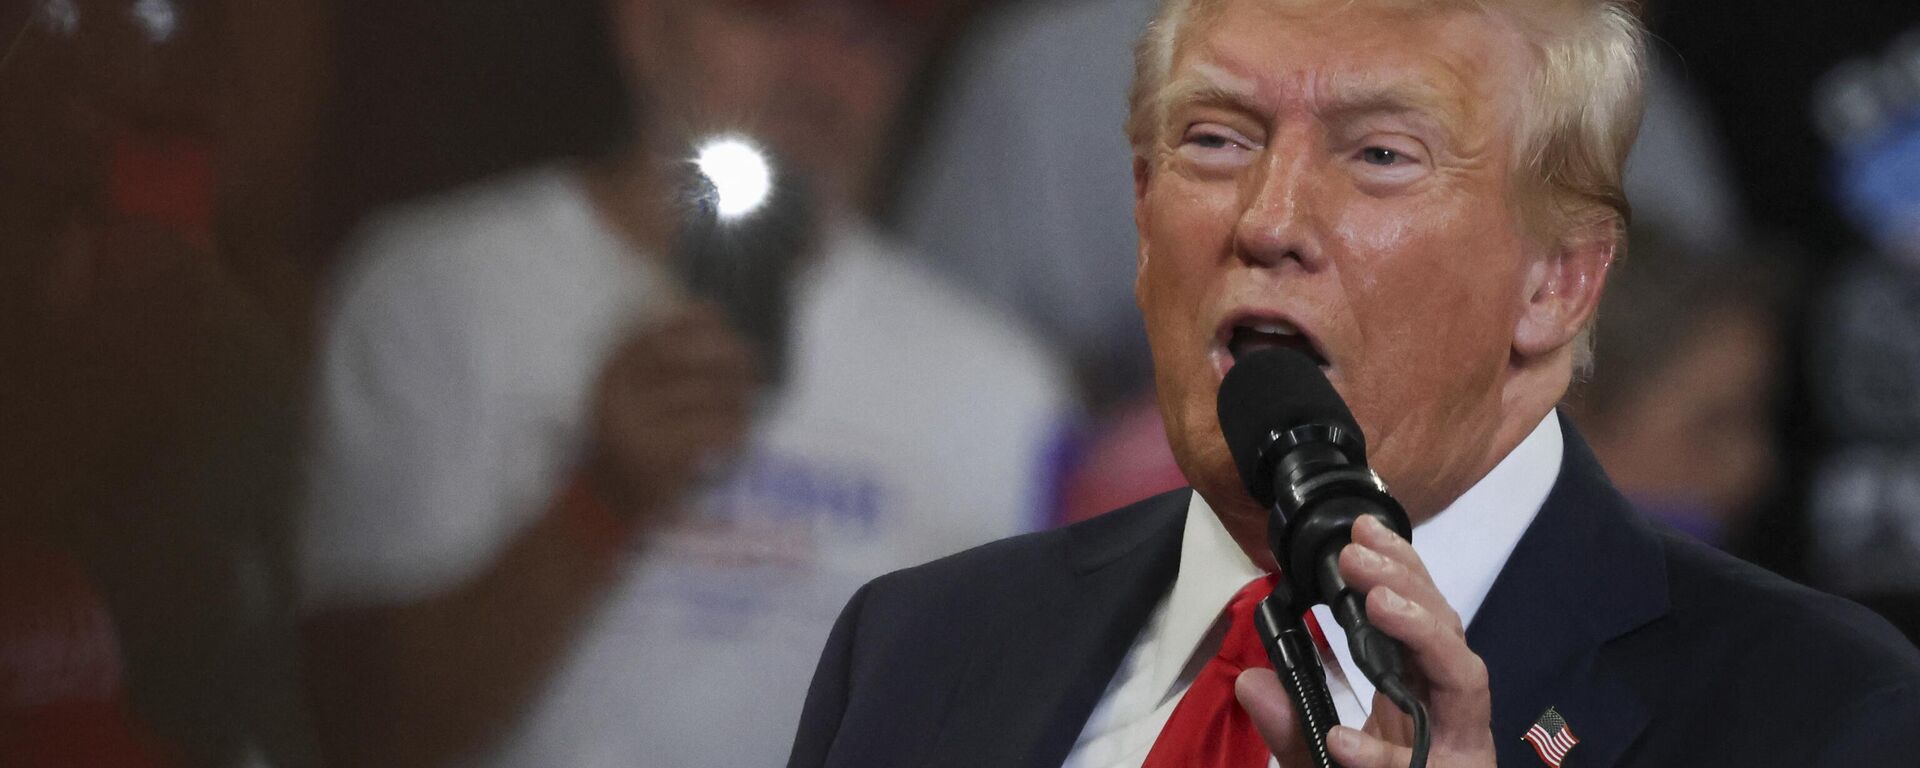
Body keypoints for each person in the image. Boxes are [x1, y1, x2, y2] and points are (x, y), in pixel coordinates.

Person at [789, 0, 1920, 766]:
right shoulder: (913, 651)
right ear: (1141, 214)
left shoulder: (1816, 715)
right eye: (1217, 142)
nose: (1268, 221)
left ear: (1559, 284)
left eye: (1381, 155)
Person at [298, 1, 1075, 767]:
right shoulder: (438, 294)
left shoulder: (1002, 393)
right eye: (768, 15)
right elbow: (354, 729)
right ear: (641, 23)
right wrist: (597, 502)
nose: (822, 74)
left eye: (872, 32)